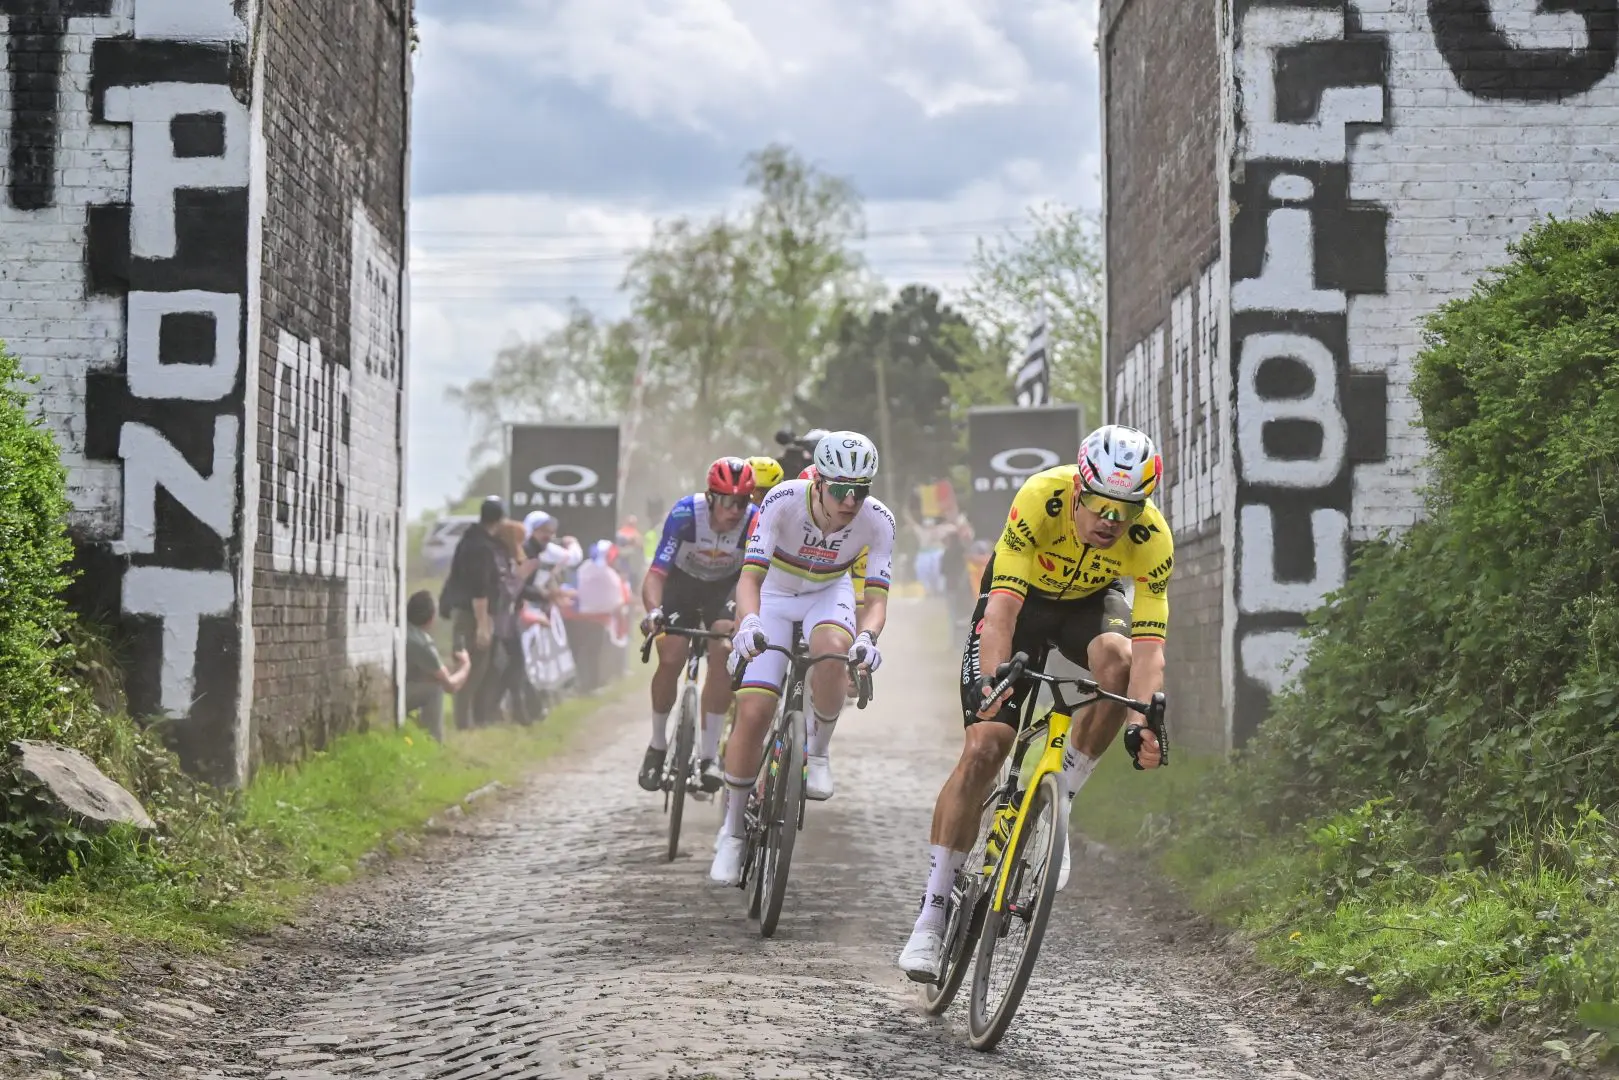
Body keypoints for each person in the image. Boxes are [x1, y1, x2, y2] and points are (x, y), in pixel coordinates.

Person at [896, 424, 1173, 980]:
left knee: (1118, 663)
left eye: (1126, 510)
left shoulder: (1151, 537)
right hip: (1020, 603)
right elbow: (1001, 613)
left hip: (1089, 605)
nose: (1111, 521)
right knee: (986, 747)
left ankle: (1057, 798)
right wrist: (993, 683)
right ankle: (931, 915)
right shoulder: (1040, 496)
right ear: (1078, 489)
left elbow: (1149, 651)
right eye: (1100, 505)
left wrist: (1142, 720)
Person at [711, 432, 895, 885]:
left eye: (860, 490)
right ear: (819, 482)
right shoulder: (783, 500)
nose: (850, 501)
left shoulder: (879, 520)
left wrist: (868, 637)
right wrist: (748, 623)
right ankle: (732, 831)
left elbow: (875, 599)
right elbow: (750, 579)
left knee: (833, 650)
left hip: (827, 592)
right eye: (841, 489)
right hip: (773, 594)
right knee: (755, 711)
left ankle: (820, 751)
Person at [638, 457, 759, 795]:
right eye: (727, 501)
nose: (734, 510)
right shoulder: (685, 514)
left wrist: (746, 620)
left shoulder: (754, 521)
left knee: (723, 650)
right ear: (710, 497)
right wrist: (653, 612)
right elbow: (656, 574)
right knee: (671, 656)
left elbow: (755, 578)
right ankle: (657, 745)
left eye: (742, 501)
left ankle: (708, 756)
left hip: (725, 589)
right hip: (683, 586)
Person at [438, 495, 506, 731]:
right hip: (472, 614)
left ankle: (468, 719)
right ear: (499, 519)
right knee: (471, 668)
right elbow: (479, 589)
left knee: (474, 667)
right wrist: (483, 625)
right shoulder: (481, 548)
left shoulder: (469, 540)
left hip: (465, 611)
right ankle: (463, 723)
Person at [404, 589, 471, 742]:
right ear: (431, 618)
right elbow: (449, 685)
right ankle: (434, 741)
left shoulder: (404, 630)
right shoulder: (422, 643)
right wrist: (465, 665)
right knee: (435, 689)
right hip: (396, 696)